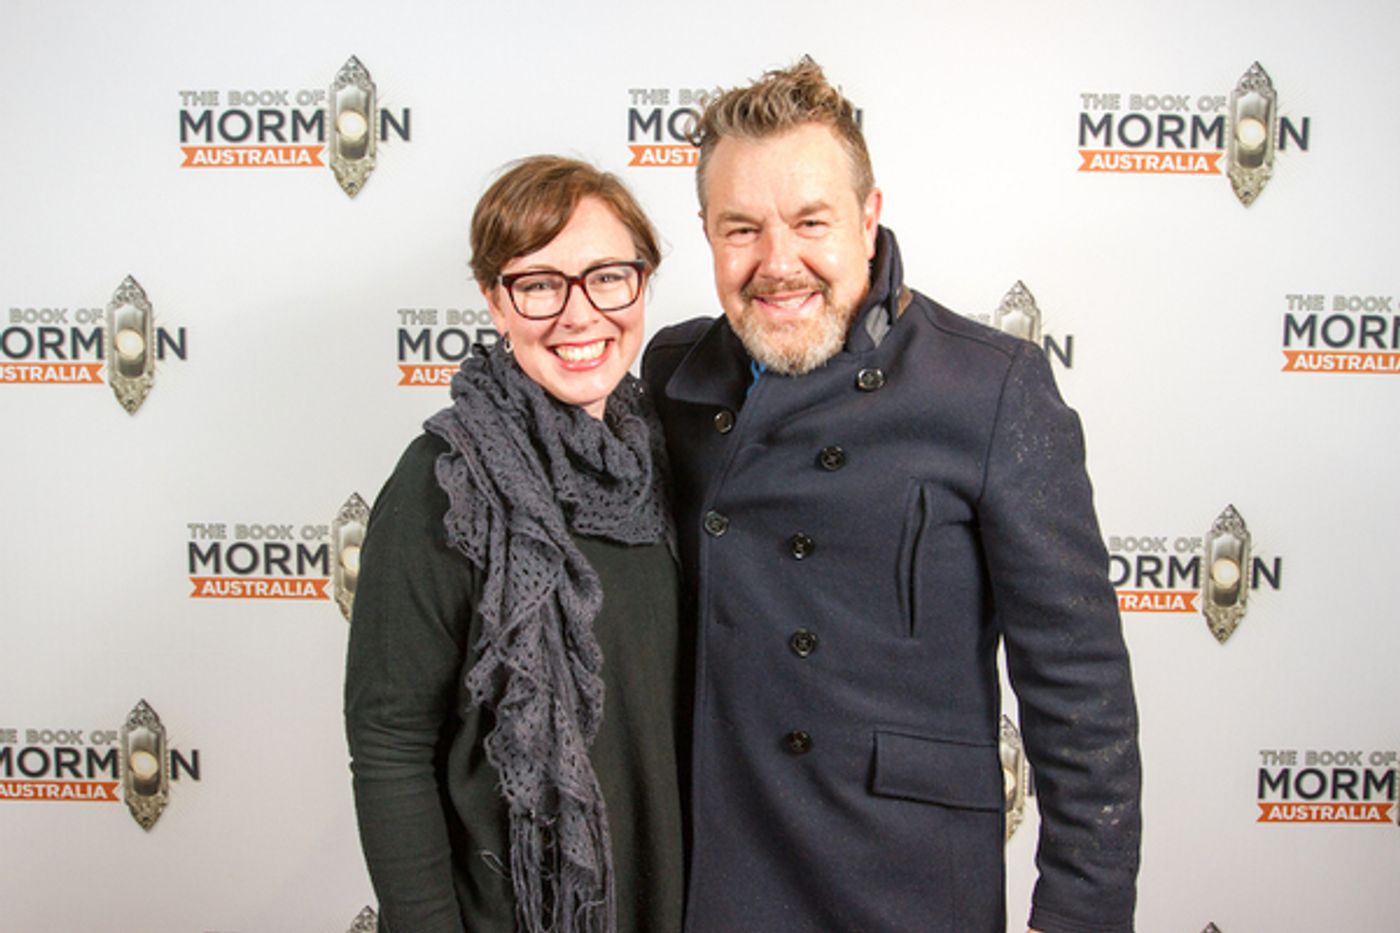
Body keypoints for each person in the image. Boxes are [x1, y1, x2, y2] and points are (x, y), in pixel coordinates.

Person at [642, 60, 1141, 933]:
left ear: (869, 220)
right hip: (714, 880)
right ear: (706, 233)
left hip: (902, 883)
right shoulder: (673, 375)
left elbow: (1082, 700)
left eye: (810, 222)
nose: (776, 262)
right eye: (741, 229)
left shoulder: (989, 387)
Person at [346, 155, 685, 933]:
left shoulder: (670, 461)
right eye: (539, 284)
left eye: (607, 276)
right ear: (496, 302)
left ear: (641, 283)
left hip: (670, 897)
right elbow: (391, 742)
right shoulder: (446, 481)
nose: (578, 315)